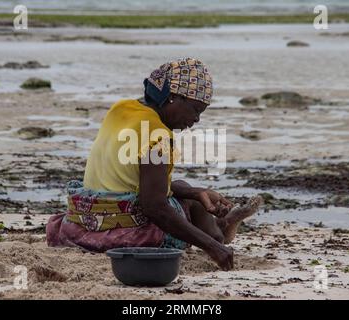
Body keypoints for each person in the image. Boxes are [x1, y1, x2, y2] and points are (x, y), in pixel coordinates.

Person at [46, 57, 262, 270]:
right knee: (194, 211)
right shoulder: (158, 137)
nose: (196, 120)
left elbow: (131, 180)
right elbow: (155, 207)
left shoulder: (121, 109)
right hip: (124, 235)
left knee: (187, 190)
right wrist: (213, 247)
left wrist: (197, 192)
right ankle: (220, 232)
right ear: (173, 98)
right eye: (196, 110)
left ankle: (220, 226)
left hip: (82, 223)